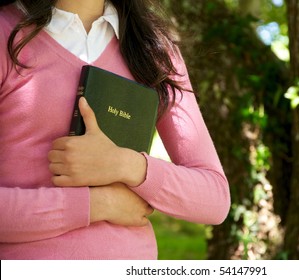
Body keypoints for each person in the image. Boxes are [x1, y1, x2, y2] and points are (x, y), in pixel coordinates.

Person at [0, 0, 230, 259]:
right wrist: (97, 205)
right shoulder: (6, 33)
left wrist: (125, 165)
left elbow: (214, 199)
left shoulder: (154, 49)